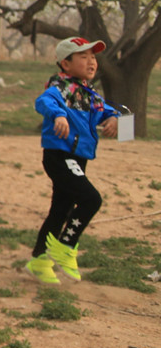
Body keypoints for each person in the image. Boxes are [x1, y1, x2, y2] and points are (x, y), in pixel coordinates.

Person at [27, 36, 117, 285]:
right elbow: (44, 101)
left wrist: (116, 119)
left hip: (78, 158)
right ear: (65, 64)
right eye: (84, 56)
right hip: (59, 156)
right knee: (91, 199)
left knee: (60, 210)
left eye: (93, 57)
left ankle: (39, 261)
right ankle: (66, 245)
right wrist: (58, 115)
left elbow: (106, 111)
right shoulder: (60, 87)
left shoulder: (88, 93)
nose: (91, 62)